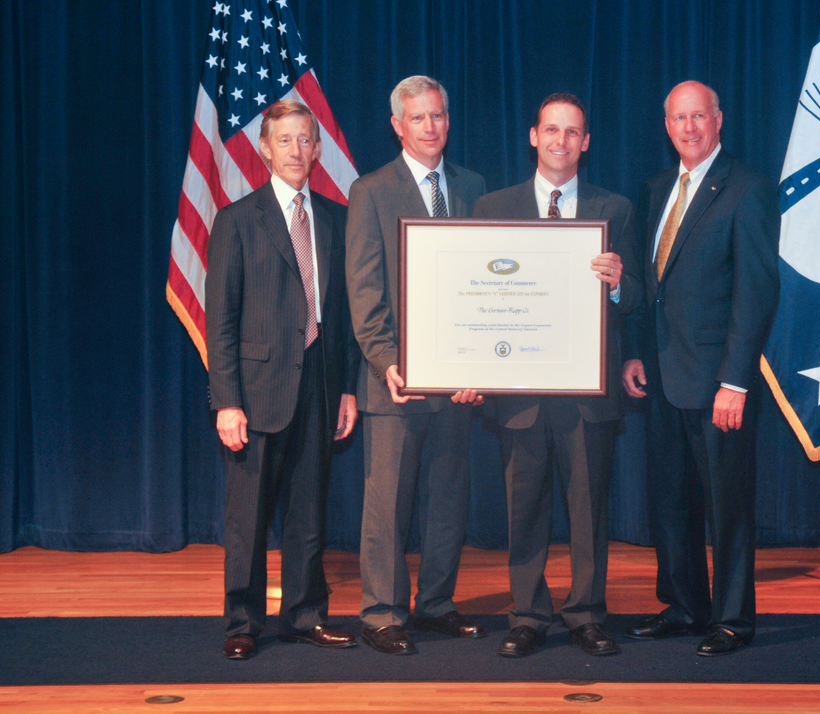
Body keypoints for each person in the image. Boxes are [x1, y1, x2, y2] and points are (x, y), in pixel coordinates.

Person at [473, 93, 641, 658]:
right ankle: (527, 615)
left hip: (586, 393)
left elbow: (638, 296)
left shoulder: (613, 208)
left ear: (586, 142)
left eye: (572, 132)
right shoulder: (493, 208)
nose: (561, 141)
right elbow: (476, 298)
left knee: (589, 510)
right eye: (551, 130)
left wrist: (617, 281)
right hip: (518, 391)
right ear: (533, 135)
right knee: (524, 508)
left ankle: (588, 614)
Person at [621, 81, 779, 656]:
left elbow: (756, 295)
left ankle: (733, 619)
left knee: (727, 507)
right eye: (678, 118)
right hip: (662, 379)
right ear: (667, 126)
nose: (689, 127)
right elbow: (650, 287)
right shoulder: (657, 187)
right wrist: (636, 353)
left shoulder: (748, 190)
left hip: (719, 385)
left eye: (699, 116)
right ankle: (686, 606)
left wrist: (735, 381)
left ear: (719, 120)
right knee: (670, 501)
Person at [206, 99, 361, 660]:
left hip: (320, 384)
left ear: (318, 149)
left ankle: (304, 613)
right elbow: (219, 320)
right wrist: (227, 400)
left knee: (308, 509)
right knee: (248, 518)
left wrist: (346, 387)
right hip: (256, 391)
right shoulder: (237, 219)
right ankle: (242, 622)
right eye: (285, 140)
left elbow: (339, 315)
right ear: (266, 149)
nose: (297, 150)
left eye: (305, 140)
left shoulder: (336, 218)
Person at [345, 75, 486, 655]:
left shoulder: (475, 187)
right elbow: (364, 288)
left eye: (439, 116)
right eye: (419, 118)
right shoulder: (371, 191)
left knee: (448, 496)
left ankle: (436, 604)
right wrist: (384, 360)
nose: (432, 127)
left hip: (457, 384)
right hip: (395, 384)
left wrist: (480, 363)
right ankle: (381, 612)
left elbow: (483, 284)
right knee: (388, 504)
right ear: (398, 126)